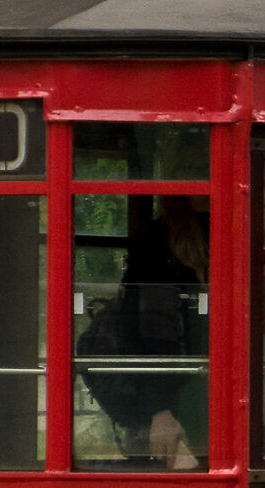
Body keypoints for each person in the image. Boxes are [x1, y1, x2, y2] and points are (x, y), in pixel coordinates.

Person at [78, 194, 210, 468]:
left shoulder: (160, 235)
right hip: (185, 391)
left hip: (189, 385)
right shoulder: (159, 241)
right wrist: (160, 410)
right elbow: (153, 331)